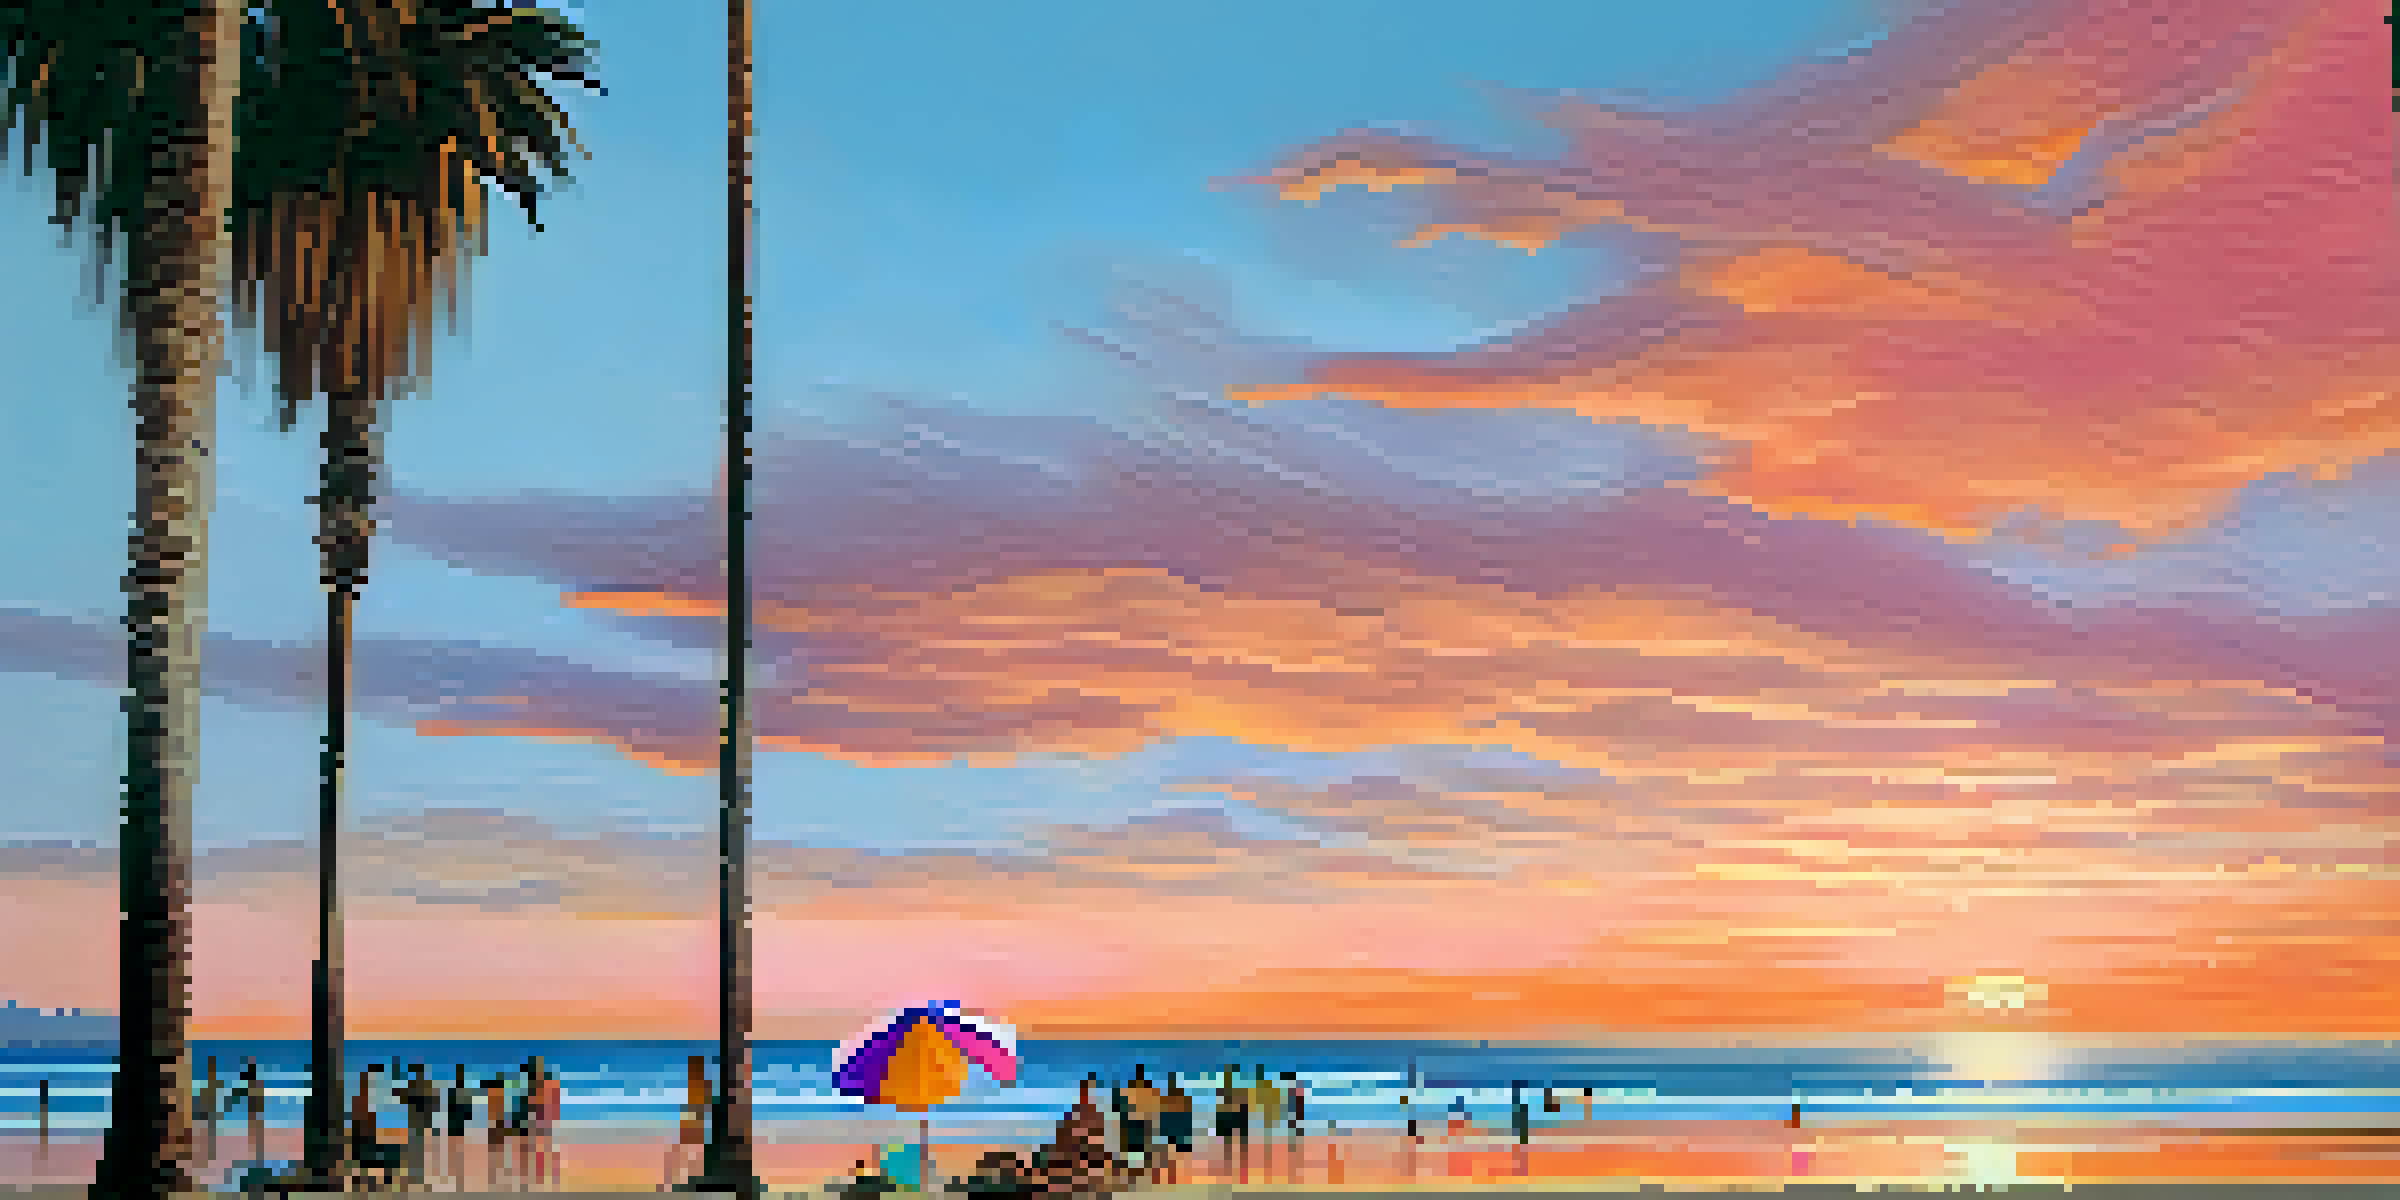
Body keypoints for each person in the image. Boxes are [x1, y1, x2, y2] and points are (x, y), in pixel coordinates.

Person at [401, 1062, 441, 1187]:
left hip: (417, 1124)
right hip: (422, 1124)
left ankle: (416, 1177)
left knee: (417, 1150)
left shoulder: (414, 1086)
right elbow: (435, 1103)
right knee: (422, 1150)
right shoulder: (426, 1087)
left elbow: (404, 1099)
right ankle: (420, 1177)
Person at [1121, 1066, 1158, 1181]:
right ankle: (1141, 1172)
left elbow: (1124, 1102)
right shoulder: (1147, 1086)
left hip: (1134, 1120)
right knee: (1142, 1146)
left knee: (1135, 1146)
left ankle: (1135, 1172)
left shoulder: (1132, 1086)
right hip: (1144, 1120)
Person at [1158, 1079, 1195, 1183]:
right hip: (1180, 1132)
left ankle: (1173, 1178)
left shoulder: (1166, 1101)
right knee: (1179, 1157)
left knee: (1173, 1157)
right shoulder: (1185, 1100)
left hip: (1174, 1132)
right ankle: (1179, 1178)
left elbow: (1164, 1117)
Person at [445, 1065, 475, 1189]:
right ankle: (458, 1173)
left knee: (455, 1149)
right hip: (460, 1126)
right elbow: (467, 1111)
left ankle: (455, 1173)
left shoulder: (453, 1092)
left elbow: (451, 1109)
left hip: (455, 1125)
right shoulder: (464, 1093)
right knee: (458, 1149)